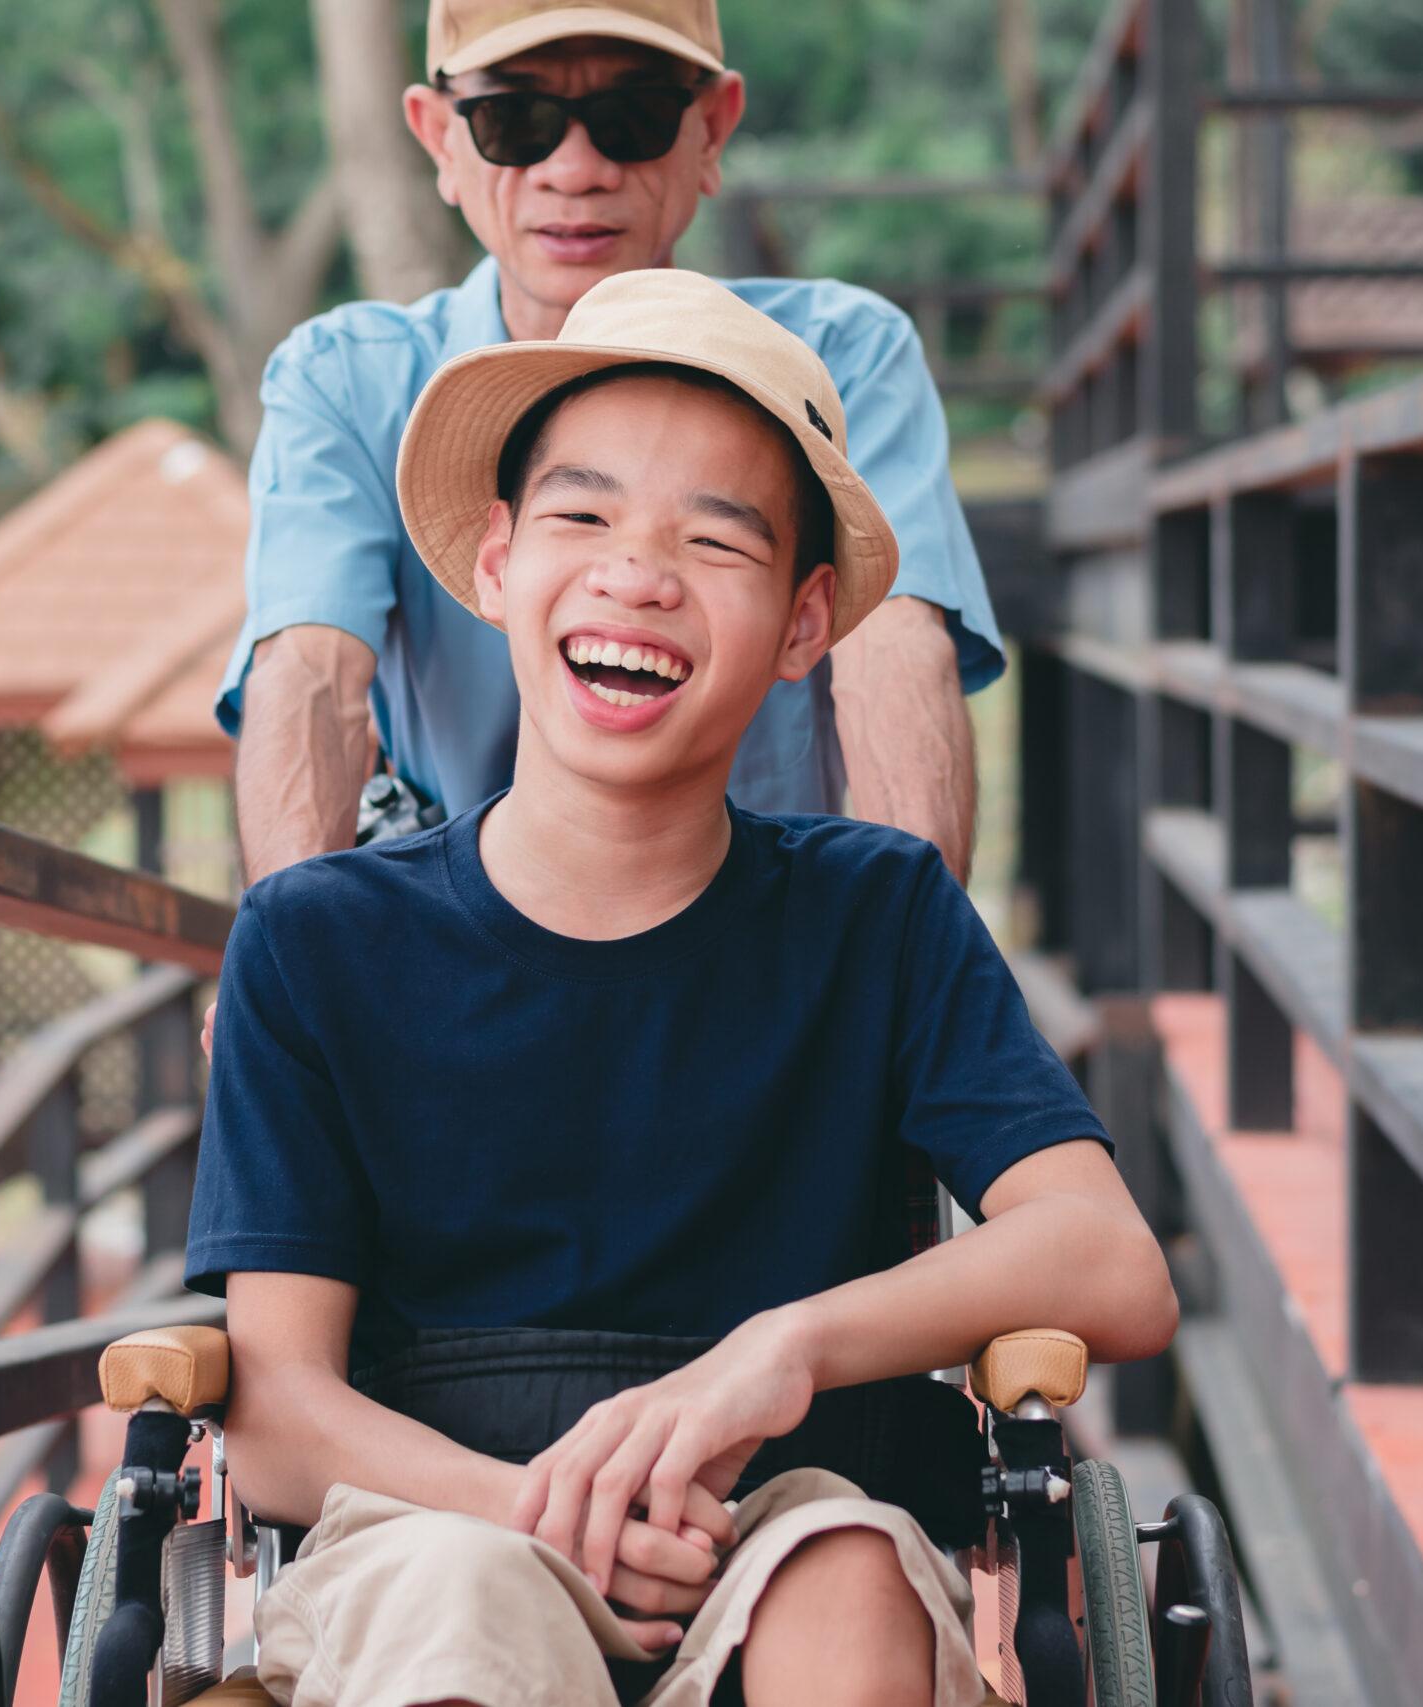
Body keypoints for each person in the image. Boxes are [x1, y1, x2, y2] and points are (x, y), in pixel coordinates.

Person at [183, 271, 1176, 1707]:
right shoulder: (316, 939)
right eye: (583, 520)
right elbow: (275, 1415)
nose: (636, 573)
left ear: (802, 626)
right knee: (460, 1596)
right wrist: (550, 1510)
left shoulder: (876, 914)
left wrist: (782, 1349)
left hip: (793, 1508)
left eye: (716, 538)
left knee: (842, 1570)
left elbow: (1111, 1263)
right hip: (433, 1521)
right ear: (496, 564)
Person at [219, 0, 993, 893]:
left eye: (634, 116)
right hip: (457, 961)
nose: (576, 169)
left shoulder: (842, 358)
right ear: (440, 138)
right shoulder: (346, 383)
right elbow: (310, 672)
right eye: (515, 119)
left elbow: (893, 646)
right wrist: (289, 971)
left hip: (772, 959)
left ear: (713, 129)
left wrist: (912, 968)